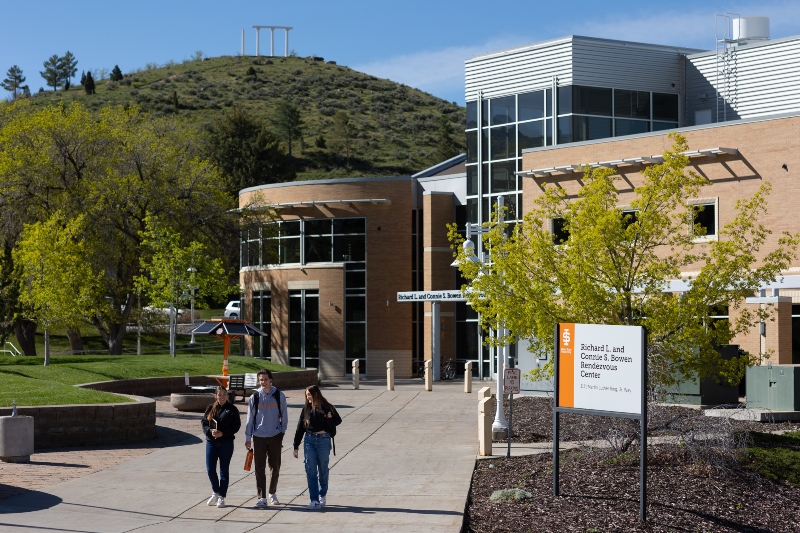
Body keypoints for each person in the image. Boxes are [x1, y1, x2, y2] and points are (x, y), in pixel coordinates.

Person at [245, 368, 288, 508]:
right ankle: (262, 496)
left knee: (275, 467)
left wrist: (281, 432)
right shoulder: (255, 397)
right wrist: (248, 437)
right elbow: (250, 418)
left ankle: (272, 493)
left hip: (275, 436)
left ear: (271, 380)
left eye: (265, 379)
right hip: (258, 437)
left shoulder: (279, 395)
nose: (263, 382)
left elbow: (284, 416)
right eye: (261, 380)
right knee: (259, 468)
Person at [293, 385, 341, 510]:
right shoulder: (306, 409)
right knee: (310, 469)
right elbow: (300, 428)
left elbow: (338, 420)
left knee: (323, 470)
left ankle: (322, 494)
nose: (308, 397)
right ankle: (314, 500)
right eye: (306, 395)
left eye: (309, 394)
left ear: (316, 394)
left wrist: (329, 417)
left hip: (323, 440)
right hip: (309, 440)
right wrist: (296, 446)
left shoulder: (326, 407)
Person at [202, 386, 241, 509]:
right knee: (210, 469)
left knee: (224, 470)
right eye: (220, 394)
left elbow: (236, 426)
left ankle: (222, 496)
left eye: (224, 394)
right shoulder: (210, 408)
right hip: (211, 443)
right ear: (216, 396)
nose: (222, 397)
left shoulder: (232, 409)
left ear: (227, 396)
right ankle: (215, 491)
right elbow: (204, 424)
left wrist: (223, 433)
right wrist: (210, 431)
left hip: (226, 443)